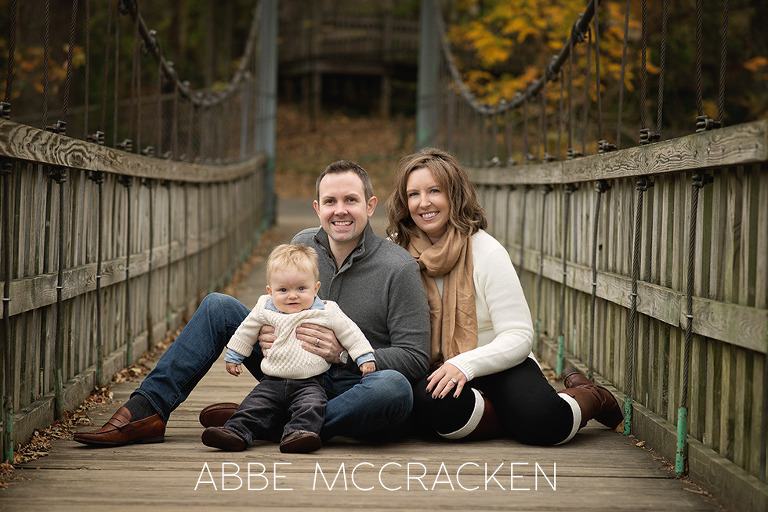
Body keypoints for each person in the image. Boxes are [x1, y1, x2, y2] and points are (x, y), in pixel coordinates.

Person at [73, 160, 430, 447]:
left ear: (370, 205)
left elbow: (415, 357)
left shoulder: (398, 267)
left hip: (351, 386)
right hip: (288, 374)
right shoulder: (303, 245)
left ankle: (267, 421)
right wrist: (265, 330)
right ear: (317, 207)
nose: (341, 211)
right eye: (330, 202)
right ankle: (147, 410)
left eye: (351, 200)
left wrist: (343, 354)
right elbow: (274, 304)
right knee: (218, 306)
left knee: (394, 389)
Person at [386, 147, 623, 445]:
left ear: (454, 195)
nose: (424, 203)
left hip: (497, 363)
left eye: (435, 191)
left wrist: (465, 365)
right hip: (432, 366)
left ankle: (590, 395)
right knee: (430, 404)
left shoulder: (486, 251)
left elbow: (519, 335)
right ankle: (511, 417)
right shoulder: (394, 253)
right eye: (413, 194)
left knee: (545, 422)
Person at [202, 243, 376, 453]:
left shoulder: (326, 311)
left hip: (310, 381)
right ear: (270, 291)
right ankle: (235, 433)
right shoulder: (265, 307)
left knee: (311, 407)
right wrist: (234, 355)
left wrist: (364, 356)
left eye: (301, 289)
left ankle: (298, 435)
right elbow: (246, 331)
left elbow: (351, 333)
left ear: (316, 288)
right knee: (253, 405)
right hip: (271, 381)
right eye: (283, 290)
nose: (292, 296)